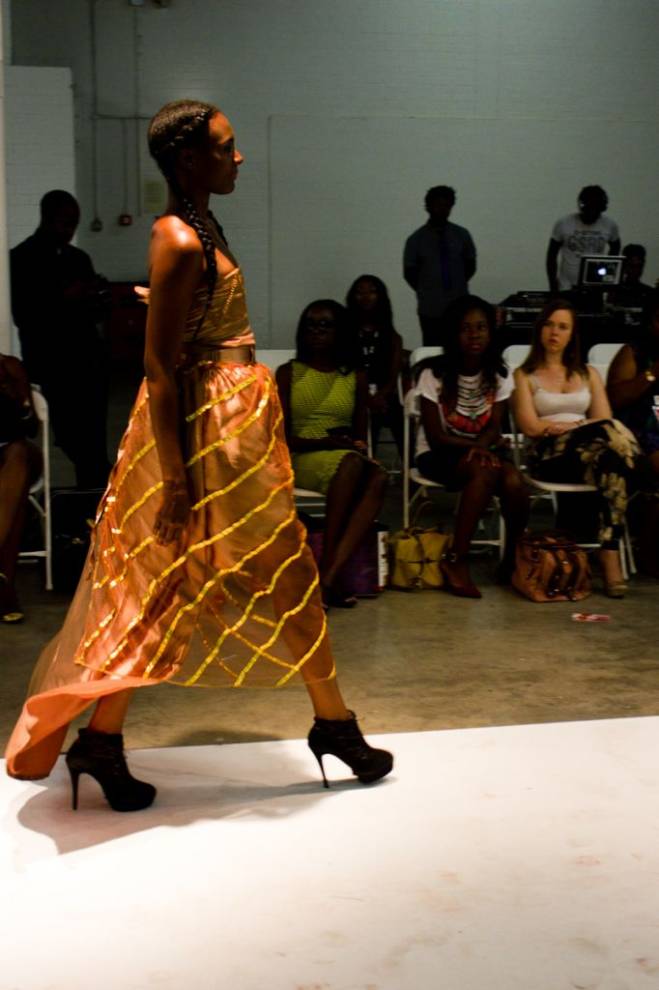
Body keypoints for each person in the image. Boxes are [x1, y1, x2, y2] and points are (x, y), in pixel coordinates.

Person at [4, 100, 392, 809]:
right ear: (189, 159)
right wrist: (178, 479)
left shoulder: (199, 228)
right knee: (200, 576)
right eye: (225, 146)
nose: (237, 157)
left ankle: (114, 739)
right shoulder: (181, 237)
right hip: (205, 430)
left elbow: (188, 332)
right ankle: (326, 725)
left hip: (230, 420)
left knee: (235, 573)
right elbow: (156, 368)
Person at [513, 299, 639, 597]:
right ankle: (611, 557)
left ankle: (609, 549)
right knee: (614, 443)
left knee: (610, 461)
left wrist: (578, 427)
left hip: (590, 454)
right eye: (549, 325)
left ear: (572, 334)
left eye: (562, 327)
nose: (554, 332)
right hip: (548, 453)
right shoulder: (525, 374)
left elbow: (604, 418)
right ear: (540, 329)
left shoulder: (588, 374)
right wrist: (575, 427)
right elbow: (530, 427)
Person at [414, 295, 529, 598]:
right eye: (465, 328)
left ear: (491, 332)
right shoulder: (433, 374)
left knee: (514, 481)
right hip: (438, 454)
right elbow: (435, 435)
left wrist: (480, 446)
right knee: (483, 470)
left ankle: (511, 559)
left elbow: (494, 427)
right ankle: (456, 559)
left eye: (481, 327)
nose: (474, 335)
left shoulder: (499, 373)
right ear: (453, 333)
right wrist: (476, 447)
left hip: (482, 449)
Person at [276, 300, 388, 608]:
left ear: (341, 332)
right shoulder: (289, 373)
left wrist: (358, 448)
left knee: (378, 476)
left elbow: (360, 436)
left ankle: (327, 576)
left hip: (344, 458)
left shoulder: (354, 376)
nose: (317, 331)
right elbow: (281, 438)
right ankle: (331, 572)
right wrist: (329, 444)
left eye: (326, 325)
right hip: (301, 456)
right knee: (350, 464)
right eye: (311, 325)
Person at [10, 190, 111, 489]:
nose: (69, 231)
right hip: (50, 358)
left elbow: (95, 313)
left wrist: (97, 297)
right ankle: (95, 480)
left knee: (92, 432)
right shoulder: (21, 259)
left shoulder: (78, 258)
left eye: (73, 224)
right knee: (72, 433)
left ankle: (93, 484)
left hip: (86, 356)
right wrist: (66, 297)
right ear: (47, 218)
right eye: (65, 223)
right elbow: (24, 315)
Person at [607, 290, 659, 575]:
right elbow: (614, 400)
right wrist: (652, 374)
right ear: (652, 321)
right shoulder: (634, 352)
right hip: (640, 432)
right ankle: (649, 549)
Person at [403, 185, 477, 345]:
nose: (442, 209)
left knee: (460, 346)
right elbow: (409, 273)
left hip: (459, 305)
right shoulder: (416, 239)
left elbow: (470, 266)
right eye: (437, 205)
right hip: (430, 308)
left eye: (446, 205)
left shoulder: (462, 235)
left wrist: (455, 284)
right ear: (428, 207)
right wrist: (429, 288)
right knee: (432, 349)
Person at [0, 354, 42, 623]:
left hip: (16, 454)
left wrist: (12, 394)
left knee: (18, 455)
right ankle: (5, 587)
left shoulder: (9, 367)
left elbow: (30, 426)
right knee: (16, 504)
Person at [345, 274, 404, 457]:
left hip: (384, 396)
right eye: (360, 292)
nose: (366, 296)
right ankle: (362, 462)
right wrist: (366, 399)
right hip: (353, 395)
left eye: (372, 291)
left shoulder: (393, 338)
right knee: (359, 412)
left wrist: (379, 397)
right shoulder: (343, 335)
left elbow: (393, 379)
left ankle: (410, 468)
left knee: (397, 412)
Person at [546, 185, 621, 292]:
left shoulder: (609, 225)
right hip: (567, 287)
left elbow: (615, 247)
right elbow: (551, 256)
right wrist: (553, 286)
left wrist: (607, 277)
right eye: (589, 209)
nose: (591, 213)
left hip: (595, 287)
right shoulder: (564, 223)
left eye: (595, 210)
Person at [607, 244, 654, 310]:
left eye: (639, 266)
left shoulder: (649, 293)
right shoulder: (613, 290)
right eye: (632, 266)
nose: (636, 271)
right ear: (624, 265)